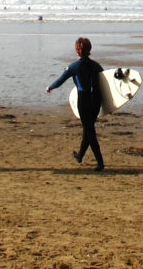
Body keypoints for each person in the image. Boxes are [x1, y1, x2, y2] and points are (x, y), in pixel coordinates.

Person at [45, 37, 105, 172]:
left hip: (84, 100)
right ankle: (80, 155)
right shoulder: (97, 66)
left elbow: (60, 81)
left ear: (77, 50)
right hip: (96, 99)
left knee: (90, 131)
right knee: (88, 127)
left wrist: (50, 87)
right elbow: (105, 85)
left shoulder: (73, 67)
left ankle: (100, 162)